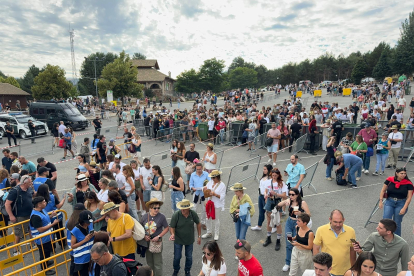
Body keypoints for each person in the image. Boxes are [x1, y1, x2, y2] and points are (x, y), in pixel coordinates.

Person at [313, 209, 356, 276]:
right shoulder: (321, 230)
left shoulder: (351, 231)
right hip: (328, 271)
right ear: (330, 219)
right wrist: (319, 267)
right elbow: (316, 249)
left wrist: (353, 268)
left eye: (340, 222)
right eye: (335, 222)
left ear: (344, 220)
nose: (338, 225)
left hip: (346, 271)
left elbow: (352, 250)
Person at [278, 188, 312, 272]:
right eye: (289, 194)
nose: (291, 196)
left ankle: (297, 261)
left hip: (298, 225)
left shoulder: (302, 203)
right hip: (289, 223)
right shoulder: (289, 200)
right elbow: (279, 204)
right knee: (289, 242)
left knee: (296, 243)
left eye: (293, 194)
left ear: (297, 195)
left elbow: (309, 214)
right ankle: (288, 262)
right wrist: (285, 202)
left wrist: (300, 213)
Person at [169, 199, 202, 276]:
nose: (182, 210)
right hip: (178, 240)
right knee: (177, 257)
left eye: (184, 208)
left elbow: (198, 223)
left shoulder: (193, 214)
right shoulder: (176, 215)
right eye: (181, 208)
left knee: (189, 257)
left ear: (189, 208)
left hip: (189, 240)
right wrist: (172, 234)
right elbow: (172, 227)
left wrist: (199, 236)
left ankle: (187, 270)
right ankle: (176, 269)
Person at [29, 196, 60, 275]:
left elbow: (44, 220)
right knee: (44, 254)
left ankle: (47, 262)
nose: (45, 202)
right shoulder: (35, 216)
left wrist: (51, 216)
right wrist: (53, 224)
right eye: (43, 202)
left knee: (47, 252)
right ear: (39, 205)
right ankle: (45, 269)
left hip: (47, 237)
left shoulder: (42, 210)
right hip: (42, 239)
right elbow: (40, 229)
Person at [378, 168, 413, 236]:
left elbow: (409, 197)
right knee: (386, 220)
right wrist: (381, 201)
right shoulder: (389, 180)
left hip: (401, 203)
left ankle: (396, 239)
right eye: (401, 173)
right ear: (396, 173)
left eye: (405, 173)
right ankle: (384, 236)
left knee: (397, 222)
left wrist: (404, 208)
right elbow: (383, 190)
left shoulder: (408, 183)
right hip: (390, 201)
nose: (403, 175)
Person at [5, 175, 34, 255]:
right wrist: (11, 216)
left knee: (30, 228)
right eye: (30, 182)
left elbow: (32, 196)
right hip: (19, 216)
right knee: (18, 233)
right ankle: (15, 250)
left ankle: (33, 244)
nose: (31, 183)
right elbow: (7, 204)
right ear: (25, 183)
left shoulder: (29, 189)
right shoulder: (15, 191)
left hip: (30, 214)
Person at [140, 198, 169, 276]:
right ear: (150, 208)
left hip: (157, 242)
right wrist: (144, 236)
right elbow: (140, 227)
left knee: (157, 263)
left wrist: (159, 236)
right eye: (155, 208)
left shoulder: (162, 217)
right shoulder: (144, 217)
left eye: (158, 208)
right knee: (149, 263)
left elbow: (166, 228)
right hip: (147, 242)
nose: (157, 210)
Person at [263, 168, 288, 251]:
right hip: (269, 201)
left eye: (275, 175)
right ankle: (269, 238)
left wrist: (276, 194)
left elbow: (284, 196)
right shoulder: (268, 181)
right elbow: (266, 190)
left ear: (278, 175)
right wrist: (266, 194)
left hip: (277, 202)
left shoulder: (282, 183)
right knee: (269, 221)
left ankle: (278, 240)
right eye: (272, 175)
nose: (274, 177)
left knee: (277, 222)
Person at [201, 170, 226, 241]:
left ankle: (216, 233)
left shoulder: (222, 185)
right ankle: (209, 232)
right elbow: (206, 188)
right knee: (207, 218)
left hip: (217, 204)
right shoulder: (211, 182)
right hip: (209, 203)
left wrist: (215, 194)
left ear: (217, 177)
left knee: (216, 219)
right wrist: (204, 189)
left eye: (213, 178)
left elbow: (222, 196)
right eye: (212, 178)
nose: (212, 179)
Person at [71, 210, 95, 276]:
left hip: (91, 256)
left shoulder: (90, 225)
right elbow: (72, 246)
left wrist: (95, 233)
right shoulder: (75, 230)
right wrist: (84, 240)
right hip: (82, 259)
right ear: (82, 221)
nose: (89, 224)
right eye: (87, 222)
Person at [251, 164, 272, 232]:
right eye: (263, 169)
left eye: (265, 169)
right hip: (260, 196)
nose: (263, 170)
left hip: (265, 196)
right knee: (261, 212)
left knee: (268, 213)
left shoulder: (270, 178)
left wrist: (267, 197)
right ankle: (259, 225)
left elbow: (269, 189)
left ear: (269, 170)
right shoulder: (264, 177)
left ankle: (273, 226)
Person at [189, 163, 210, 230]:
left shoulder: (206, 174)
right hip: (196, 193)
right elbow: (190, 184)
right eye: (197, 169)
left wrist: (206, 187)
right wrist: (192, 188)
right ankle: (195, 222)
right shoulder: (193, 175)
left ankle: (203, 222)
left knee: (204, 209)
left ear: (202, 168)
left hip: (204, 194)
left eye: (200, 169)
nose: (199, 170)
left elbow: (210, 182)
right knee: (194, 209)